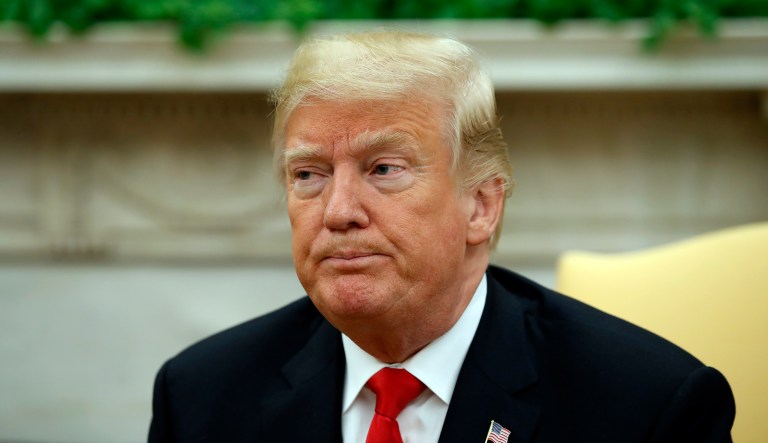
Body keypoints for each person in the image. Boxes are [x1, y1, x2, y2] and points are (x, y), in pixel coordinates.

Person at [148, 30, 735, 443]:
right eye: (309, 175)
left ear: (481, 205)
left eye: (384, 169)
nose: (339, 212)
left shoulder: (649, 406)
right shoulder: (200, 396)